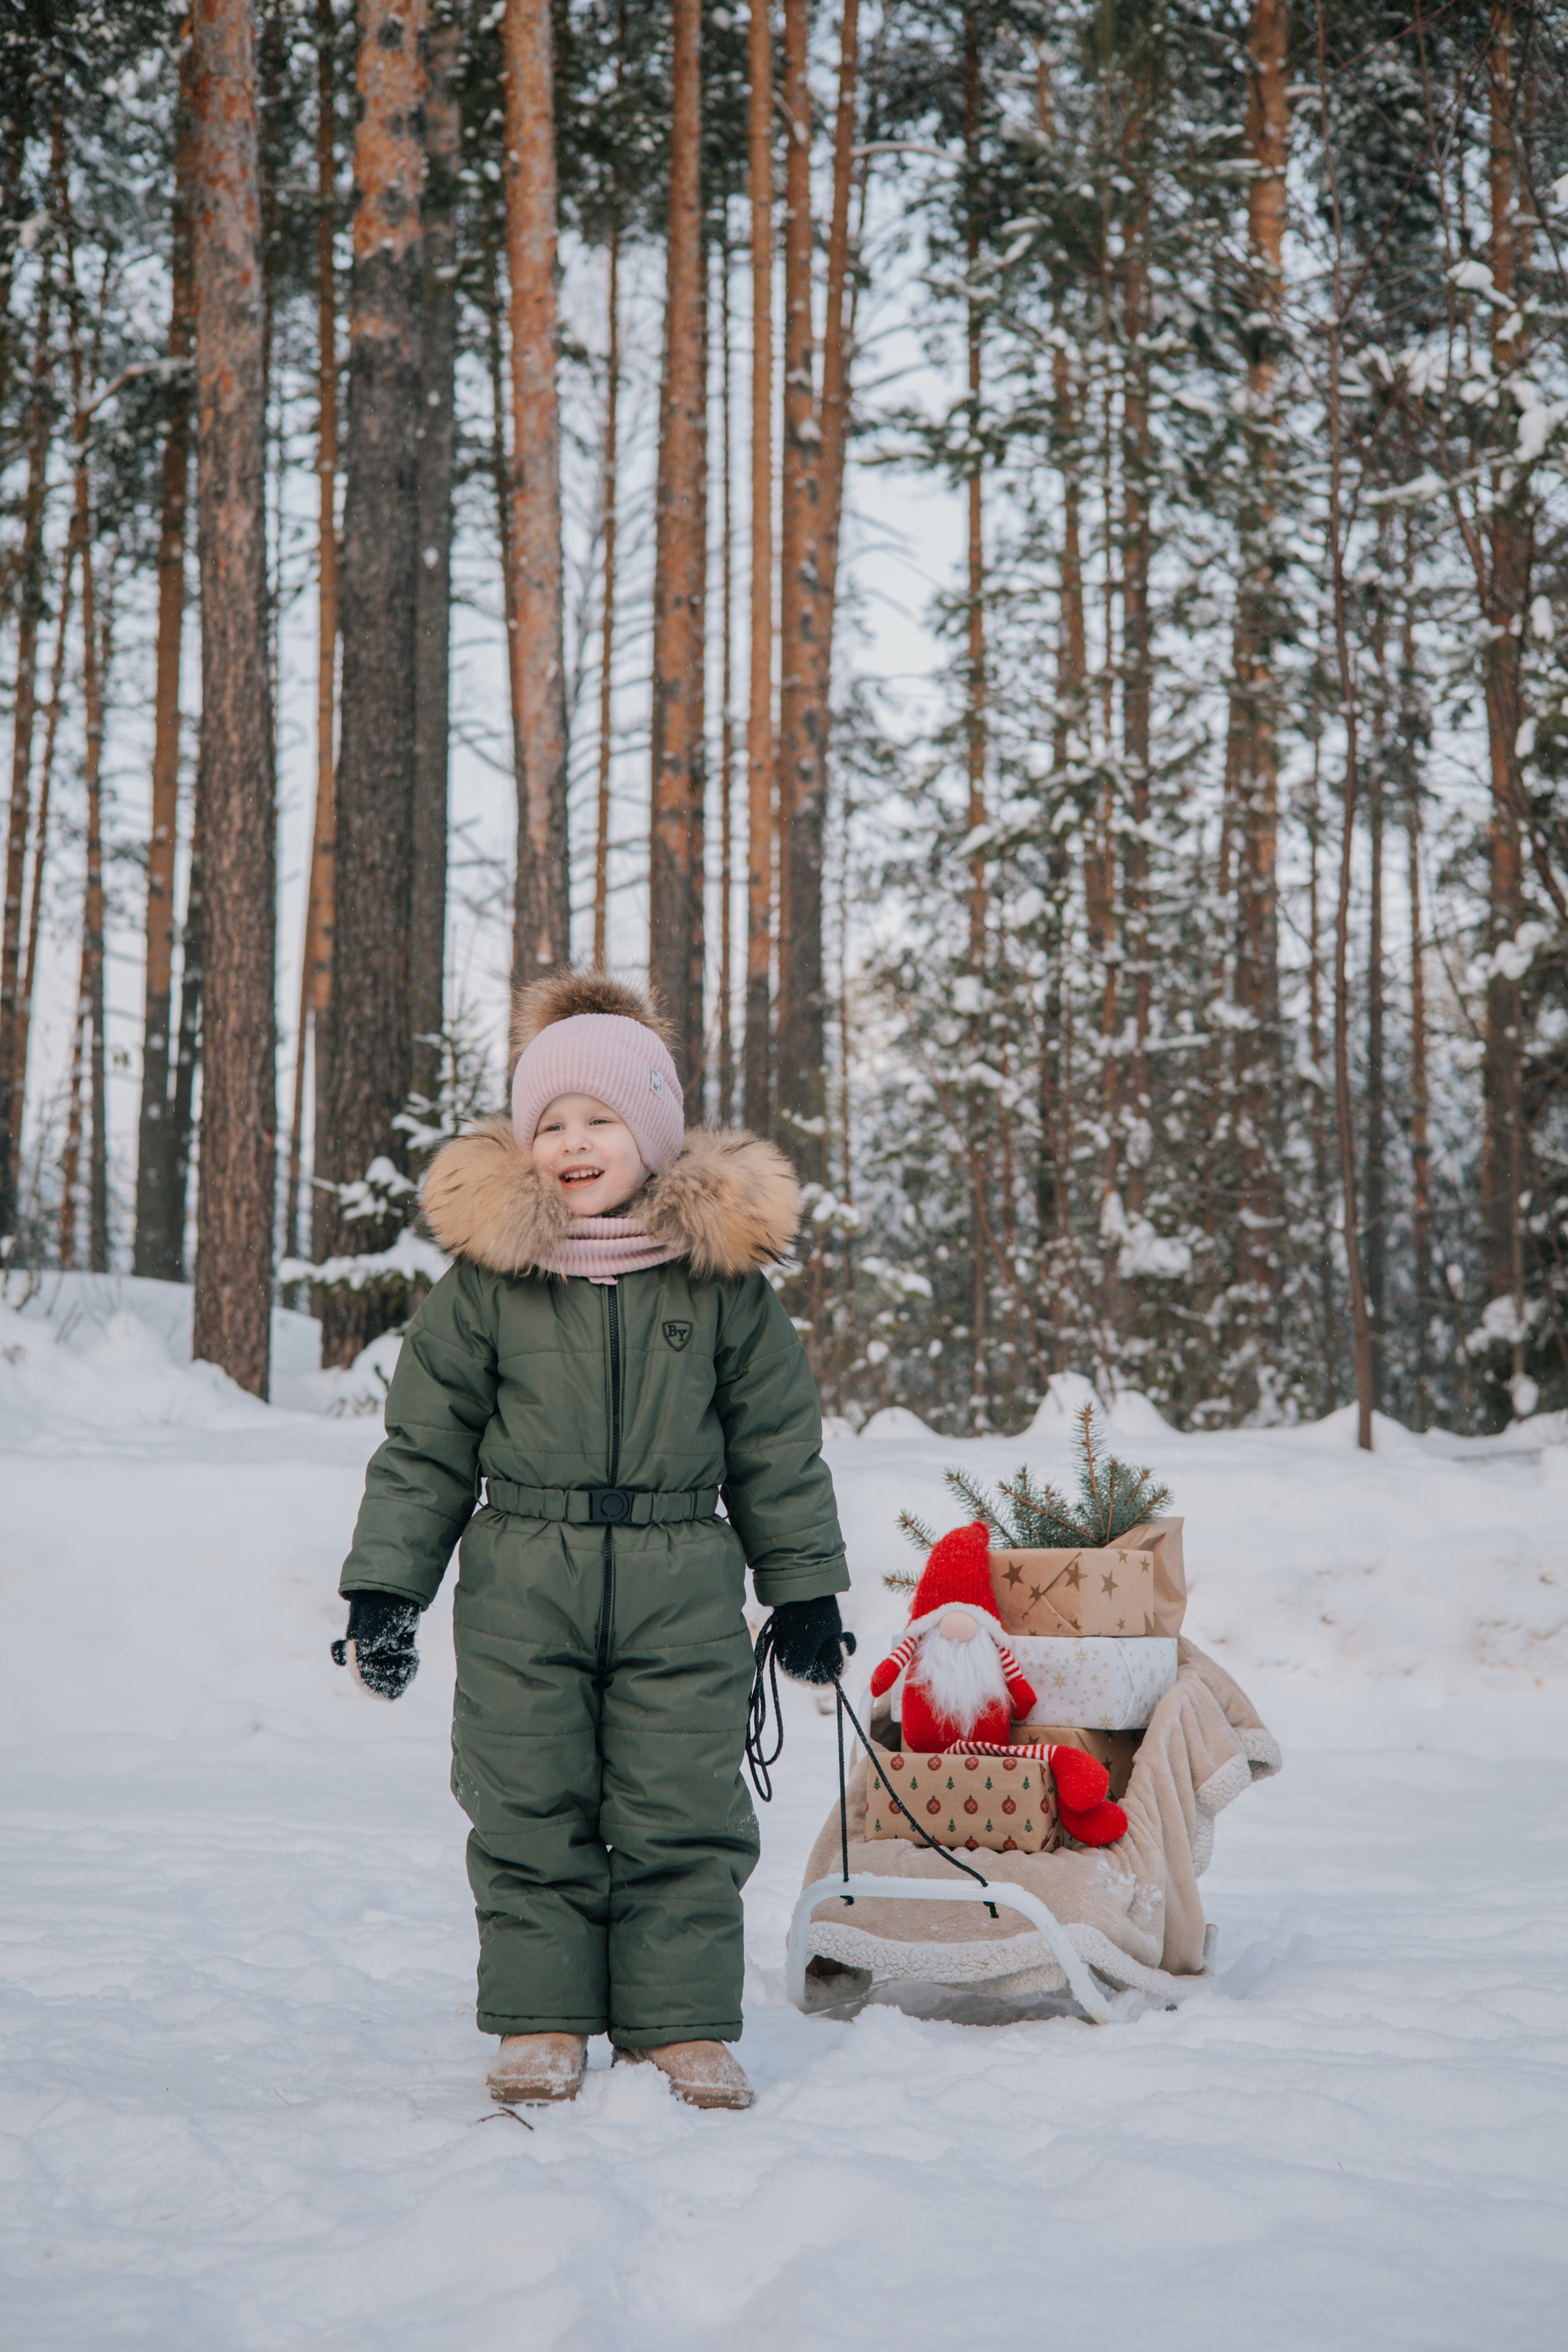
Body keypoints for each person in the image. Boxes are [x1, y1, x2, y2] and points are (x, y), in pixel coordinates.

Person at [332, 970, 853, 2112]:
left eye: (601, 1120)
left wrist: (804, 1589)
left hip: (684, 1577)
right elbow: (425, 1449)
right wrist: (387, 1589)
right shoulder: (486, 1286)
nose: (574, 1143)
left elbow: (777, 1447)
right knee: (526, 1800)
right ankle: (543, 2016)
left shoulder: (721, 1288)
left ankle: (679, 2024)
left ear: (653, 1137)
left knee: (684, 1803)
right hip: (524, 1576)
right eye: (552, 1122)